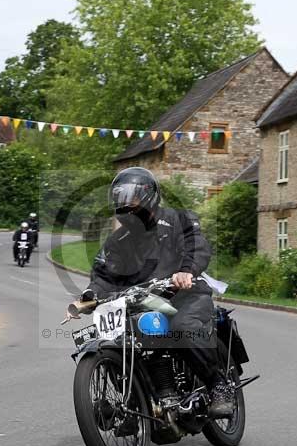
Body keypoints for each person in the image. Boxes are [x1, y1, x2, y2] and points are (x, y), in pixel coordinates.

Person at [71, 167, 234, 417]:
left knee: (183, 327)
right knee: (117, 341)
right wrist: (90, 295)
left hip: (184, 296)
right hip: (142, 303)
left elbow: (196, 247)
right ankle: (137, 404)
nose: (125, 204)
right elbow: (104, 275)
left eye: (131, 198)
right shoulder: (118, 241)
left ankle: (218, 385)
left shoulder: (179, 220)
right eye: (119, 198)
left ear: (149, 195)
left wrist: (185, 272)